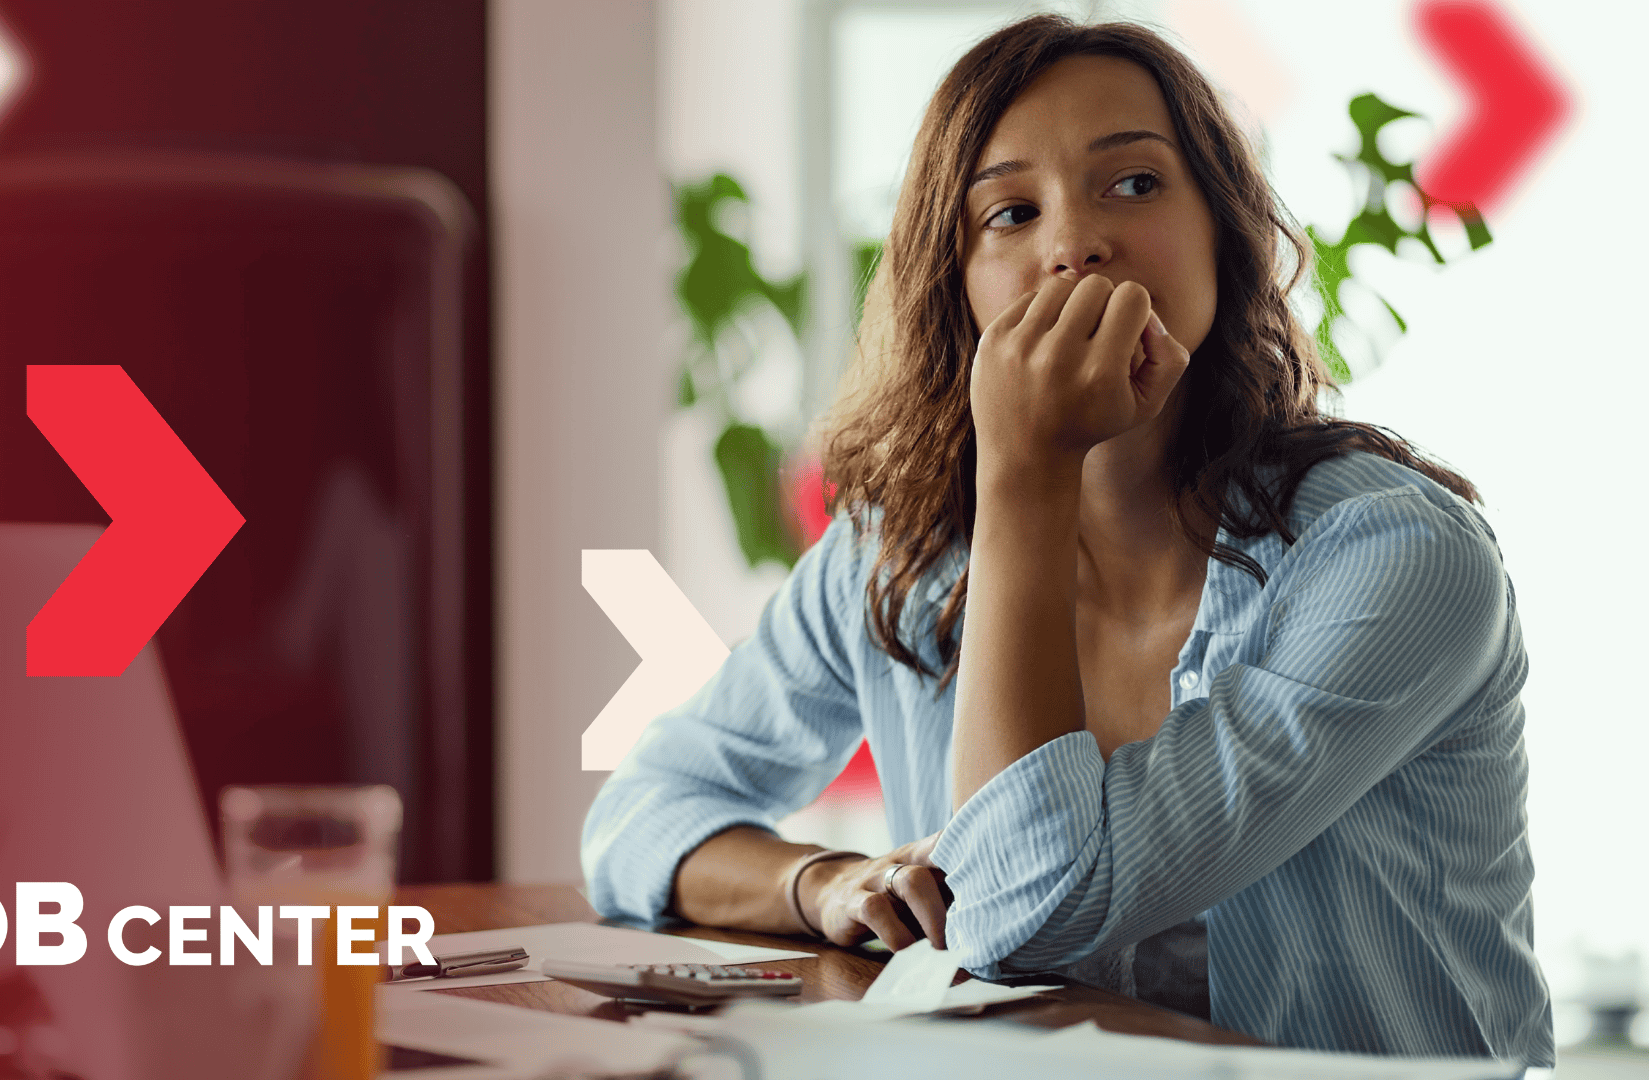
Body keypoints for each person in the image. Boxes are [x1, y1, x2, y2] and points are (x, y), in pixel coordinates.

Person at [582, 13, 1550, 1068]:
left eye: (1133, 184)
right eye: (1009, 211)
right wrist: (818, 882)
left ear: (1226, 232)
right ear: (956, 281)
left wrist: (1026, 475)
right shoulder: (895, 557)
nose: (1072, 244)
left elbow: (1027, 913)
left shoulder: (1394, 559)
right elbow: (639, 818)